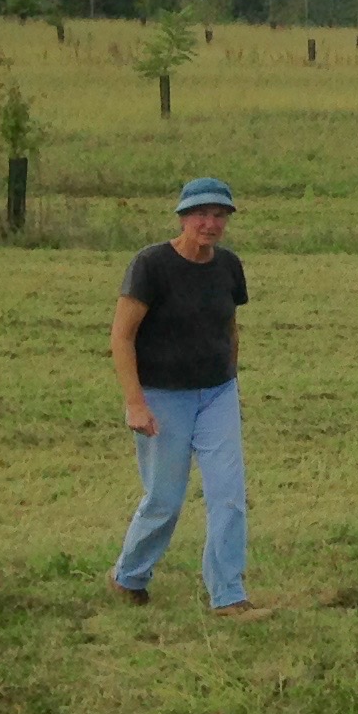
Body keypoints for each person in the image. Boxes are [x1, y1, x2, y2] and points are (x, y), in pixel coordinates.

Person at [109, 177, 256, 615]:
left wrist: (230, 378)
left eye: (219, 215)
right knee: (165, 500)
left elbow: (229, 327)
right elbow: (122, 337)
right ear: (182, 217)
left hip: (217, 394)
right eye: (200, 214)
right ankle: (129, 576)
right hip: (162, 397)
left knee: (228, 495)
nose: (209, 224)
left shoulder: (229, 266)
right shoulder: (151, 265)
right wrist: (135, 402)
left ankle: (229, 595)